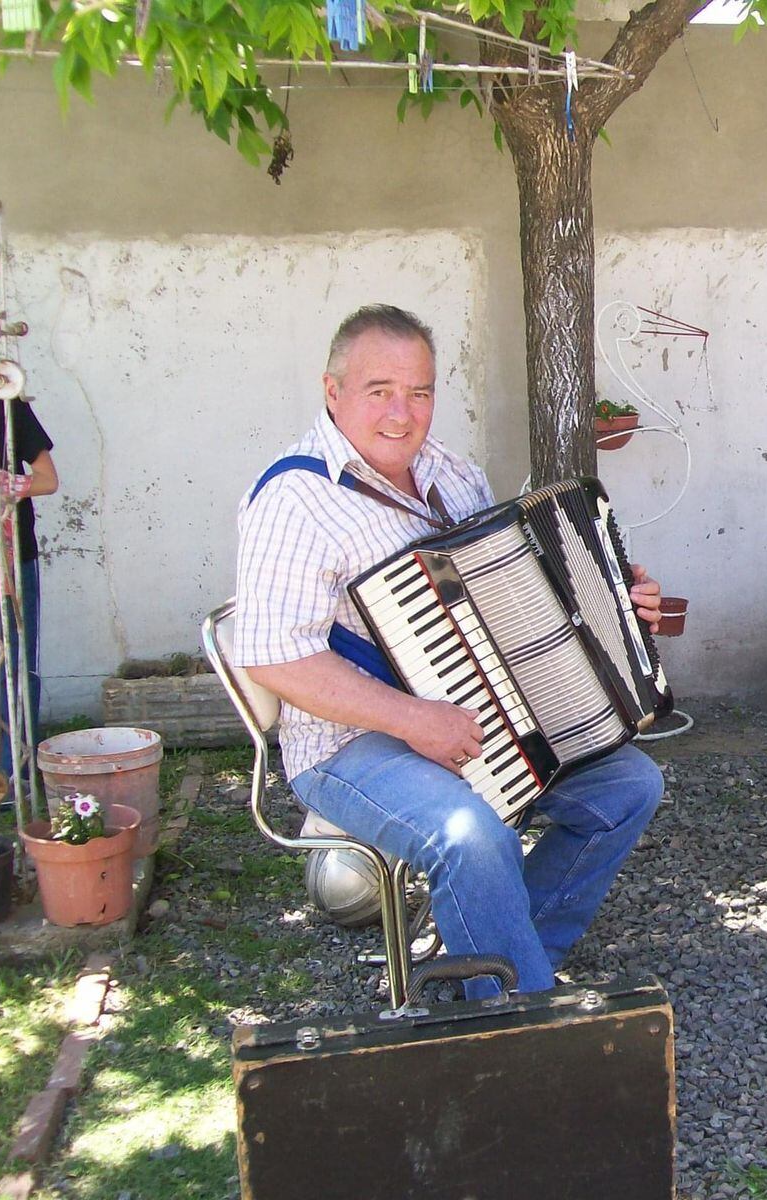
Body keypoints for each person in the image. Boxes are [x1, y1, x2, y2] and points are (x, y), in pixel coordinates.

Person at [234, 304, 665, 999]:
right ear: (332, 389)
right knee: (469, 835)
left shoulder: (453, 475)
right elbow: (275, 658)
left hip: (478, 715)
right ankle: (515, 1013)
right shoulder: (295, 501)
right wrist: (414, 720)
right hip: (346, 746)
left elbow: (520, 595)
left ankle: (501, 960)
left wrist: (617, 599)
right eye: (380, 391)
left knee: (630, 787)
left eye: (421, 392)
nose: (402, 413)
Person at [0, 303, 58, 813]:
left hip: (8, 559)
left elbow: (48, 479)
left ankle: (14, 773)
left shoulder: (8, 406)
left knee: (15, 665)